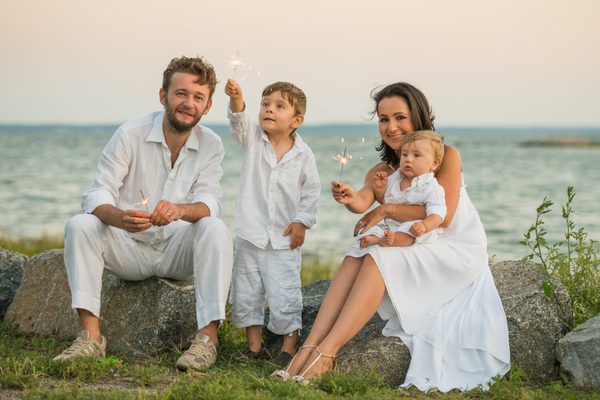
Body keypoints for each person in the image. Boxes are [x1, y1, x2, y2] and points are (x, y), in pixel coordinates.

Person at [273, 82, 510, 392]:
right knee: (358, 249)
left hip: (451, 243)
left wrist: (385, 211)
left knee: (378, 254)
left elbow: (444, 216)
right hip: (411, 240)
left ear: (418, 116)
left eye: (400, 117)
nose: (392, 126)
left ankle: (327, 353)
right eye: (384, 119)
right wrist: (348, 197)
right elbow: (362, 201)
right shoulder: (383, 170)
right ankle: (308, 348)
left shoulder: (445, 156)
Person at [53, 56, 233, 373]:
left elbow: (210, 202)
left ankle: (207, 340)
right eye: (181, 93)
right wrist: (119, 218)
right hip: (129, 250)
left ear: (207, 106)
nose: (188, 103)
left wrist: (179, 210)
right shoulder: (129, 134)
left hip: (176, 253)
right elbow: (97, 193)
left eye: (197, 97)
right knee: (80, 225)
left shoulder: (212, 144)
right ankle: (91, 338)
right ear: (163, 95)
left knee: (215, 228)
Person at [224, 79, 320, 367]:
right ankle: (253, 347)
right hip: (250, 234)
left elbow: (311, 192)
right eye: (265, 104)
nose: (269, 110)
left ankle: (288, 347)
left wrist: (302, 221)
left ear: (297, 120)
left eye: (279, 106)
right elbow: (238, 121)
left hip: (283, 238)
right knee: (247, 291)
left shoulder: (303, 155)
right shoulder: (253, 140)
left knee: (285, 292)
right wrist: (237, 98)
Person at [353, 130, 446, 250]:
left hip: (416, 227)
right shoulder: (396, 178)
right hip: (392, 226)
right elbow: (386, 200)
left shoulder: (432, 187)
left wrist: (424, 225)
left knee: (409, 230)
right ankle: (376, 238)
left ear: (434, 163)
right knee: (373, 227)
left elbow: (438, 214)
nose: (408, 159)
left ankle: (392, 240)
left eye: (416, 155)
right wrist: (380, 189)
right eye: (405, 154)